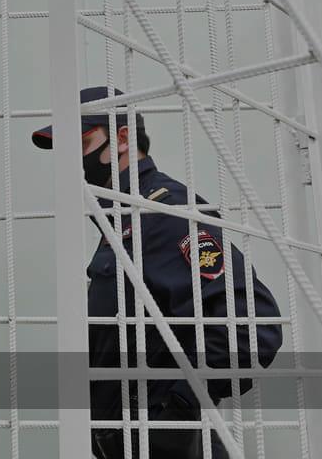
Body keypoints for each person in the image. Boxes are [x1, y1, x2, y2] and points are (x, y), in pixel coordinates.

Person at [31, 86, 283, 459]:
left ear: (122, 138)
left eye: (79, 144)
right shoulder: (120, 219)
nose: (69, 161)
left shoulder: (160, 213)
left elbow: (252, 326)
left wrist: (176, 409)